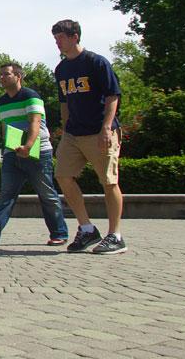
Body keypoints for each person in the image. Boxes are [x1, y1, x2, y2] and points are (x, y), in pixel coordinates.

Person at [0, 62, 68, 247]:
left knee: (47, 194)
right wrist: (10, 148)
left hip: (37, 150)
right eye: (0, 75)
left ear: (18, 76)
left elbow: (35, 123)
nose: (1, 78)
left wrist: (28, 147)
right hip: (12, 152)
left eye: (6, 74)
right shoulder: (2, 101)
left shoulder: (31, 96)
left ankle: (59, 233)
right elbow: (7, 126)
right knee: (6, 194)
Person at [51, 19, 127, 255]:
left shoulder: (96, 62)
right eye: (55, 38)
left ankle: (115, 235)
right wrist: (64, 130)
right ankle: (87, 229)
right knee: (63, 176)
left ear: (75, 37)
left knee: (109, 181)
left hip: (99, 132)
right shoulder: (61, 69)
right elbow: (64, 102)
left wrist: (107, 127)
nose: (57, 42)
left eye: (61, 37)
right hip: (74, 133)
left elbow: (113, 95)